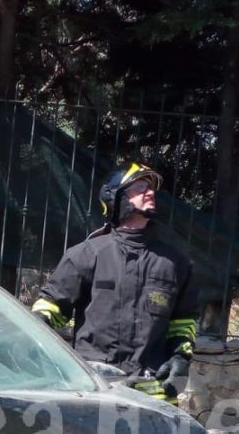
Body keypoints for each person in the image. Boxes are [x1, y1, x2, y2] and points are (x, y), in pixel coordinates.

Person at [30, 162, 196, 400]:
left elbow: (183, 320)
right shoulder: (87, 254)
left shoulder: (175, 263)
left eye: (151, 188)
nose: (150, 192)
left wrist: (180, 359)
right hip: (96, 390)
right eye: (139, 187)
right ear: (116, 198)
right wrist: (34, 343)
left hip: (154, 395)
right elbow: (52, 307)